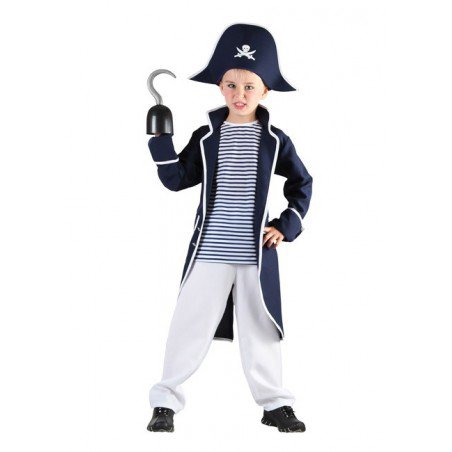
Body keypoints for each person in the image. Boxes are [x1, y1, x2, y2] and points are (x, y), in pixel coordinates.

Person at [146, 23, 313, 433]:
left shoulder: (275, 140)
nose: (240, 94)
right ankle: (165, 400)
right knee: (188, 323)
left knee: (262, 329)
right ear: (220, 87)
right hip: (210, 251)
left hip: (256, 254)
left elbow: (302, 184)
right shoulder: (207, 136)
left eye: (249, 86)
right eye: (232, 85)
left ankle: (275, 404)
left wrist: (285, 226)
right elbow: (176, 179)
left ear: (265, 91)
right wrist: (160, 139)